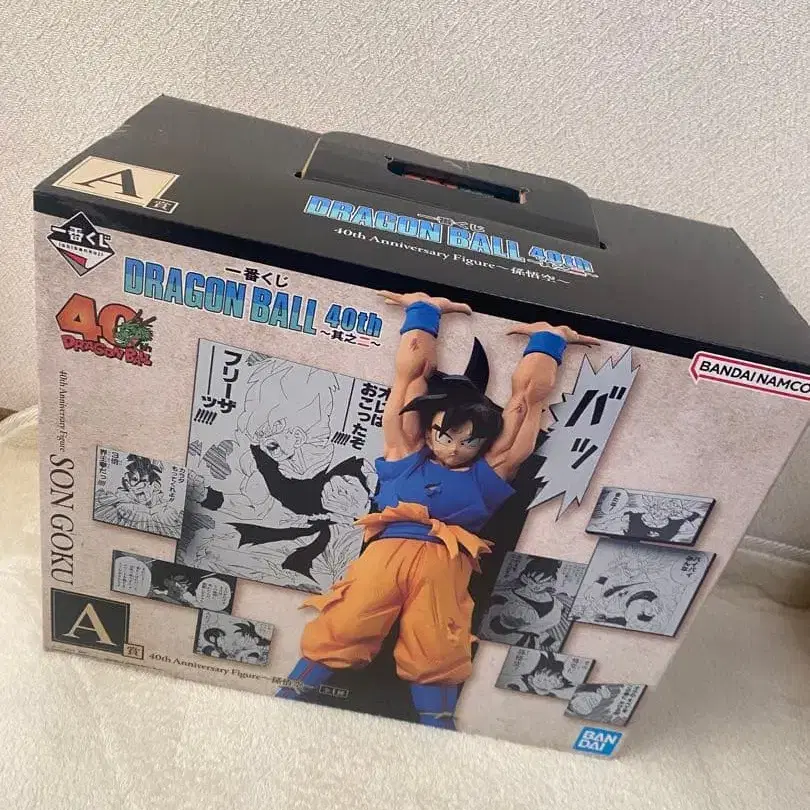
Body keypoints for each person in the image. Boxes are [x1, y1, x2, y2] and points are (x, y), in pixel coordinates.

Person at [277, 290, 597, 730]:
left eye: (468, 441)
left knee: (438, 643)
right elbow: (408, 380)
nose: (453, 448)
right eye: (444, 436)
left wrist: (548, 342)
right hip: (385, 556)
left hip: (445, 563)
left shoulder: (487, 474)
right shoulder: (405, 457)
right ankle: (289, 696)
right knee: (345, 624)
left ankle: (437, 724)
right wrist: (422, 313)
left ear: (482, 442)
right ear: (430, 432)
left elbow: (526, 406)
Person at [480, 558, 568, 649]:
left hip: (530, 649)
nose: (537, 586)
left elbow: (535, 630)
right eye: (533, 581)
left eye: (543, 583)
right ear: (525, 578)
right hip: (502, 646)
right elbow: (492, 627)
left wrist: (553, 643)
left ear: (552, 582)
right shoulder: (503, 597)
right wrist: (508, 621)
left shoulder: (557, 604)